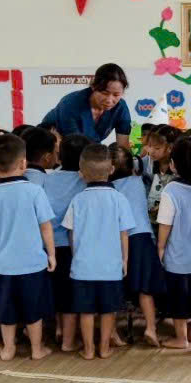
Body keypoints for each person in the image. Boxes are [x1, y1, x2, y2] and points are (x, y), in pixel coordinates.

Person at [0, 134, 56, 361]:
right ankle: (36, 349)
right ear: (24, 163)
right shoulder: (34, 191)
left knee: (7, 310)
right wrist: (51, 254)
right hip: (33, 264)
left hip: (4, 265)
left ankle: (8, 348)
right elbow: (46, 227)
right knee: (34, 309)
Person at [63, 144, 135, 360]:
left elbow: (71, 234)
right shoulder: (119, 199)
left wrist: (76, 256)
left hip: (83, 267)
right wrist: (125, 260)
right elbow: (124, 233)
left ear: (81, 173)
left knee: (85, 311)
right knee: (108, 310)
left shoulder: (77, 200)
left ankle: (88, 349)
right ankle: (104, 348)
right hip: (111, 267)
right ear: (111, 170)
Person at [156, 136, 191, 348]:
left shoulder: (171, 190)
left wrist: (160, 248)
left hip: (177, 258)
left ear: (173, 164)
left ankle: (181, 338)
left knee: (178, 300)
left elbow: (165, 224)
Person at [110, 144, 165, 347]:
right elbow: (141, 165)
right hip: (142, 237)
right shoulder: (138, 180)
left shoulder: (109, 188)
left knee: (115, 289)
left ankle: (112, 331)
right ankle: (150, 328)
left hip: (117, 240)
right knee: (145, 289)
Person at [43, 134, 91, 351]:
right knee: (70, 296)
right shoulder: (86, 182)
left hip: (49, 245)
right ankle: (68, 342)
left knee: (57, 291)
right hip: (75, 247)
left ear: (59, 156)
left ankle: (59, 329)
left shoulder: (48, 178)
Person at [41, 64, 132, 146]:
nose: (109, 100)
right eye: (104, 93)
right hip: (52, 145)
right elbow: (74, 147)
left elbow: (123, 146)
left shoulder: (121, 108)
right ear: (93, 86)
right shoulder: (70, 104)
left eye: (116, 95)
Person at [144, 125, 180, 226]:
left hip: (170, 221)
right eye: (149, 146)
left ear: (170, 148)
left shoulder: (178, 167)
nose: (151, 151)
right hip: (151, 219)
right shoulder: (147, 163)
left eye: (157, 148)